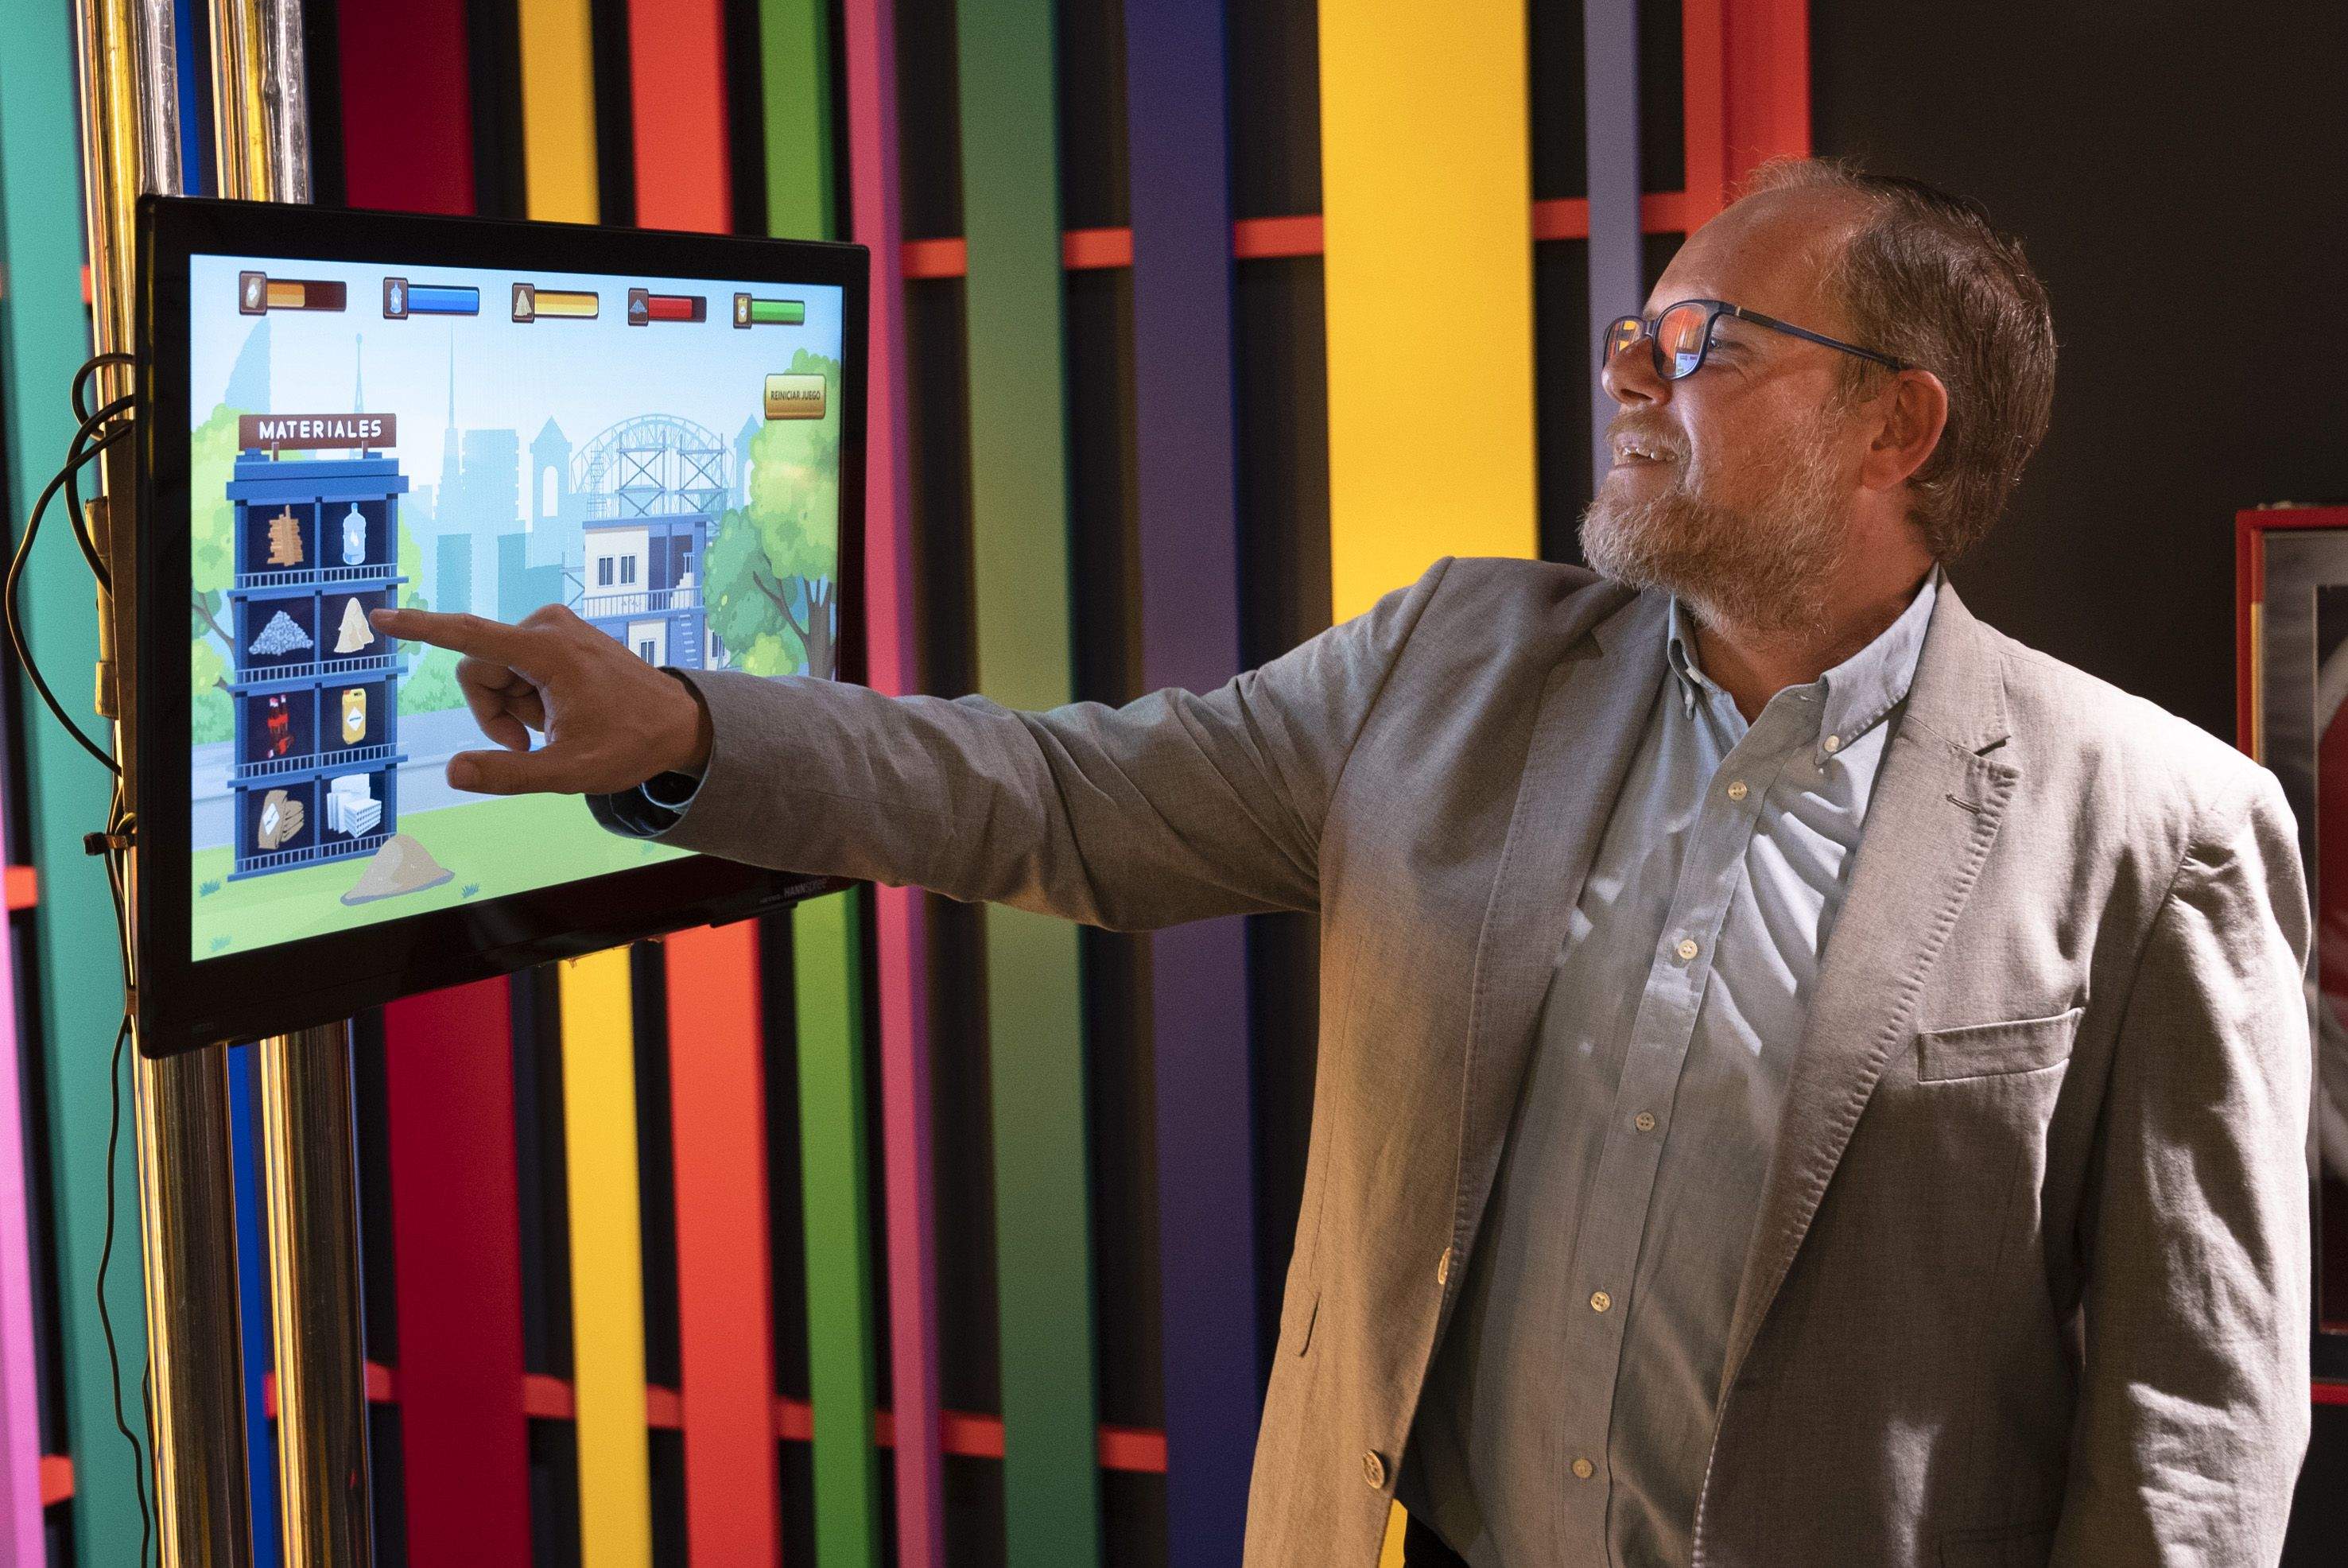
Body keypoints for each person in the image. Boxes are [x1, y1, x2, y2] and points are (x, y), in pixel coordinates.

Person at [374, 158, 2312, 1567]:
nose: (1633, 370)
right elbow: (1061, 795)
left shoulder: (2164, 827)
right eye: (1639, 329)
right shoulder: (1450, 662)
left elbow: (2198, 1424)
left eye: (1705, 340)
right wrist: (700, 735)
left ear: (1900, 421)